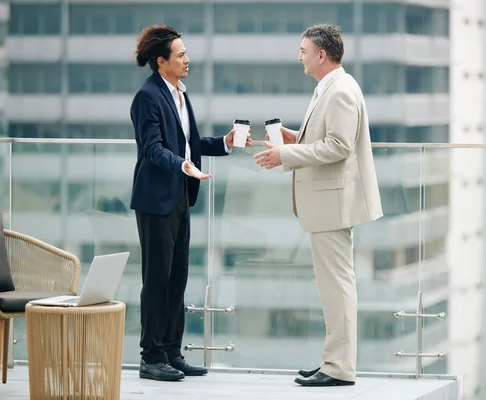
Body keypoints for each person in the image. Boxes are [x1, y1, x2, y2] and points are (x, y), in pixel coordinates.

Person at [254, 24, 383, 387]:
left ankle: (339, 368)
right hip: (328, 205)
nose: (300, 56)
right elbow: (328, 139)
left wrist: (285, 154)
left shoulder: (339, 90)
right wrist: (296, 139)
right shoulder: (332, 87)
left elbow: (339, 146)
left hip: (333, 205)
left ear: (321, 55)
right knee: (333, 287)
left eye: (303, 50)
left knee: (338, 287)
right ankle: (333, 362)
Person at [130, 25, 251, 381]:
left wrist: (225, 143)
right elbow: (153, 149)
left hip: (181, 194)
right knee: (156, 279)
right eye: (181, 55)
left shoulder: (180, 94)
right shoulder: (147, 97)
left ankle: (171, 351)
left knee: (177, 277)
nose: (188, 60)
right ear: (162, 61)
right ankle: (150, 356)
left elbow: (189, 143)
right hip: (155, 199)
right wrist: (183, 165)